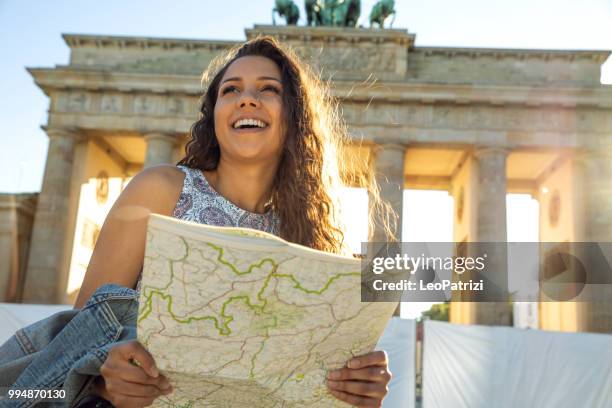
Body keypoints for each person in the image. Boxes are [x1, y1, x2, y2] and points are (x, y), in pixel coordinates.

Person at [68, 35, 395, 407]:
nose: (247, 98)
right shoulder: (159, 191)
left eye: (269, 89)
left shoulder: (310, 239)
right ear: (214, 114)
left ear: (294, 116)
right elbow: (78, 336)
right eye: (231, 89)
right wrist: (103, 379)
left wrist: (357, 385)